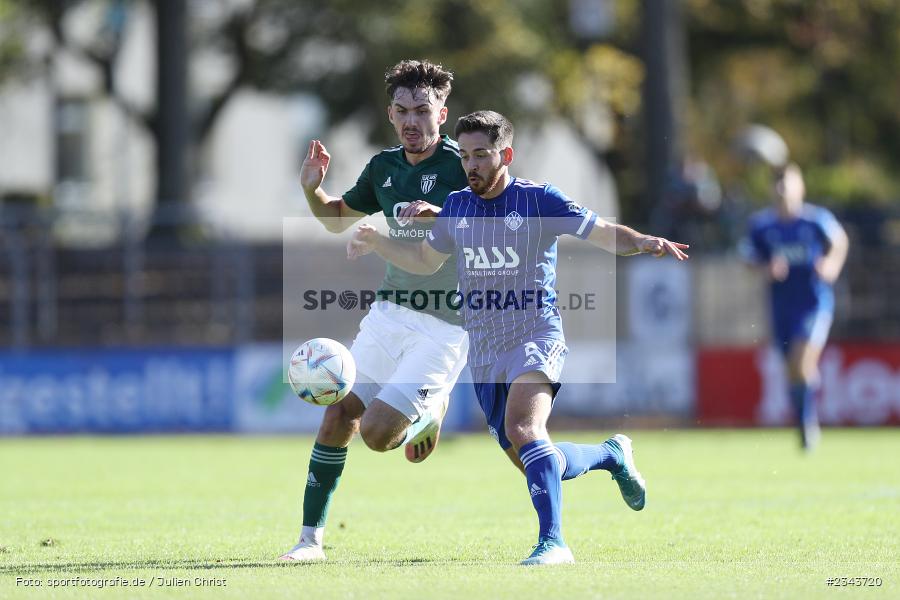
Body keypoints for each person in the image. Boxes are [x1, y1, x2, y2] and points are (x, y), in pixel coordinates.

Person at [348, 110, 689, 565]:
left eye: (482, 155)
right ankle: (610, 455)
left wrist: (642, 241)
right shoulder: (457, 206)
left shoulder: (539, 201)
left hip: (535, 334)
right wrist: (378, 242)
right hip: (485, 351)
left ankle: (554, 544)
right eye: (465, 155)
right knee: (532, 456)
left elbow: (603, 232)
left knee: (525, 428)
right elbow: (426, 260)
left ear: (505, 155)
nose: (471, 165)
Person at [280, 60, 469, 562]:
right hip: (390, 314)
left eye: (423, 111)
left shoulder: (462, 166)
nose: (413, 121)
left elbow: (492, 218)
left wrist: (443, 214)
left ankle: (433, 408)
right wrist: (311, 189)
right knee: (339, 412)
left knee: (381, 436)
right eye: (403, 110)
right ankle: (308, 541)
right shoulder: (383, 169)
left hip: (447, 326)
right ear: (390, 114)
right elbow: (335, 220)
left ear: (442, 114)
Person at [740, 163, 848, 450]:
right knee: (792, 369)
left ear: (800, 186)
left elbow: (840, 241)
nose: (782, 189)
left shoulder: (816, 221)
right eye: (777, 184)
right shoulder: (762, 226)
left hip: (814, 304)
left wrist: (831, 264)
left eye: (787, 183)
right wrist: (765, 268)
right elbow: (747, 257)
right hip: (781, 307)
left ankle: (807, 424)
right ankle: (804, 419)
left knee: (801, 362)